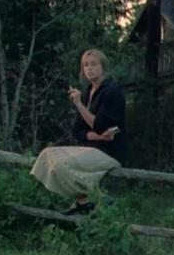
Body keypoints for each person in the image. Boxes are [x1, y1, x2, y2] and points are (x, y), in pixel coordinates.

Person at [30, 49, 127, 215]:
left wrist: (79, 105)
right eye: (85, 65)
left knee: (60, 164)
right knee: (47, 155)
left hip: (109, 152)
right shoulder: (88, 92)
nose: (89, 68)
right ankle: (84, 201)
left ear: (103, 67)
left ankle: (95, 199)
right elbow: (78, 131)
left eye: (94, 64)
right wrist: (98, 136)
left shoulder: (112, 92)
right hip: (91, 147)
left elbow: (99, 125)